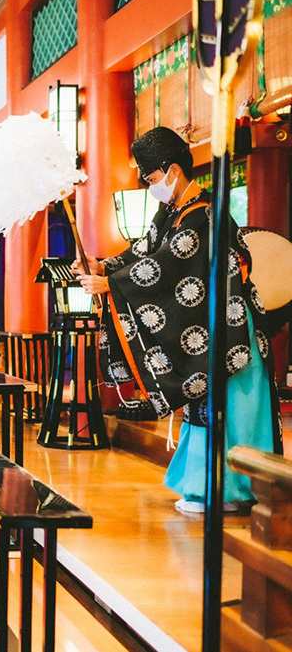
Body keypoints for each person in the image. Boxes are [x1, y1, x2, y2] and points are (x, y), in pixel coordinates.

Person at [74, 126, 275, 514]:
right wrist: (105, 266)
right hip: (213, 324)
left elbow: (168, 267)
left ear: (172, 172)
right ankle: (211, 488)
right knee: (212, 406)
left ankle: (230, 491)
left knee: (235, 409)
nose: (152, 186)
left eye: (151, 179)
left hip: (233, 327)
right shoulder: (172, 212)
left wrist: (111, 285)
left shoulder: (204, 215)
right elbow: (143, 252)